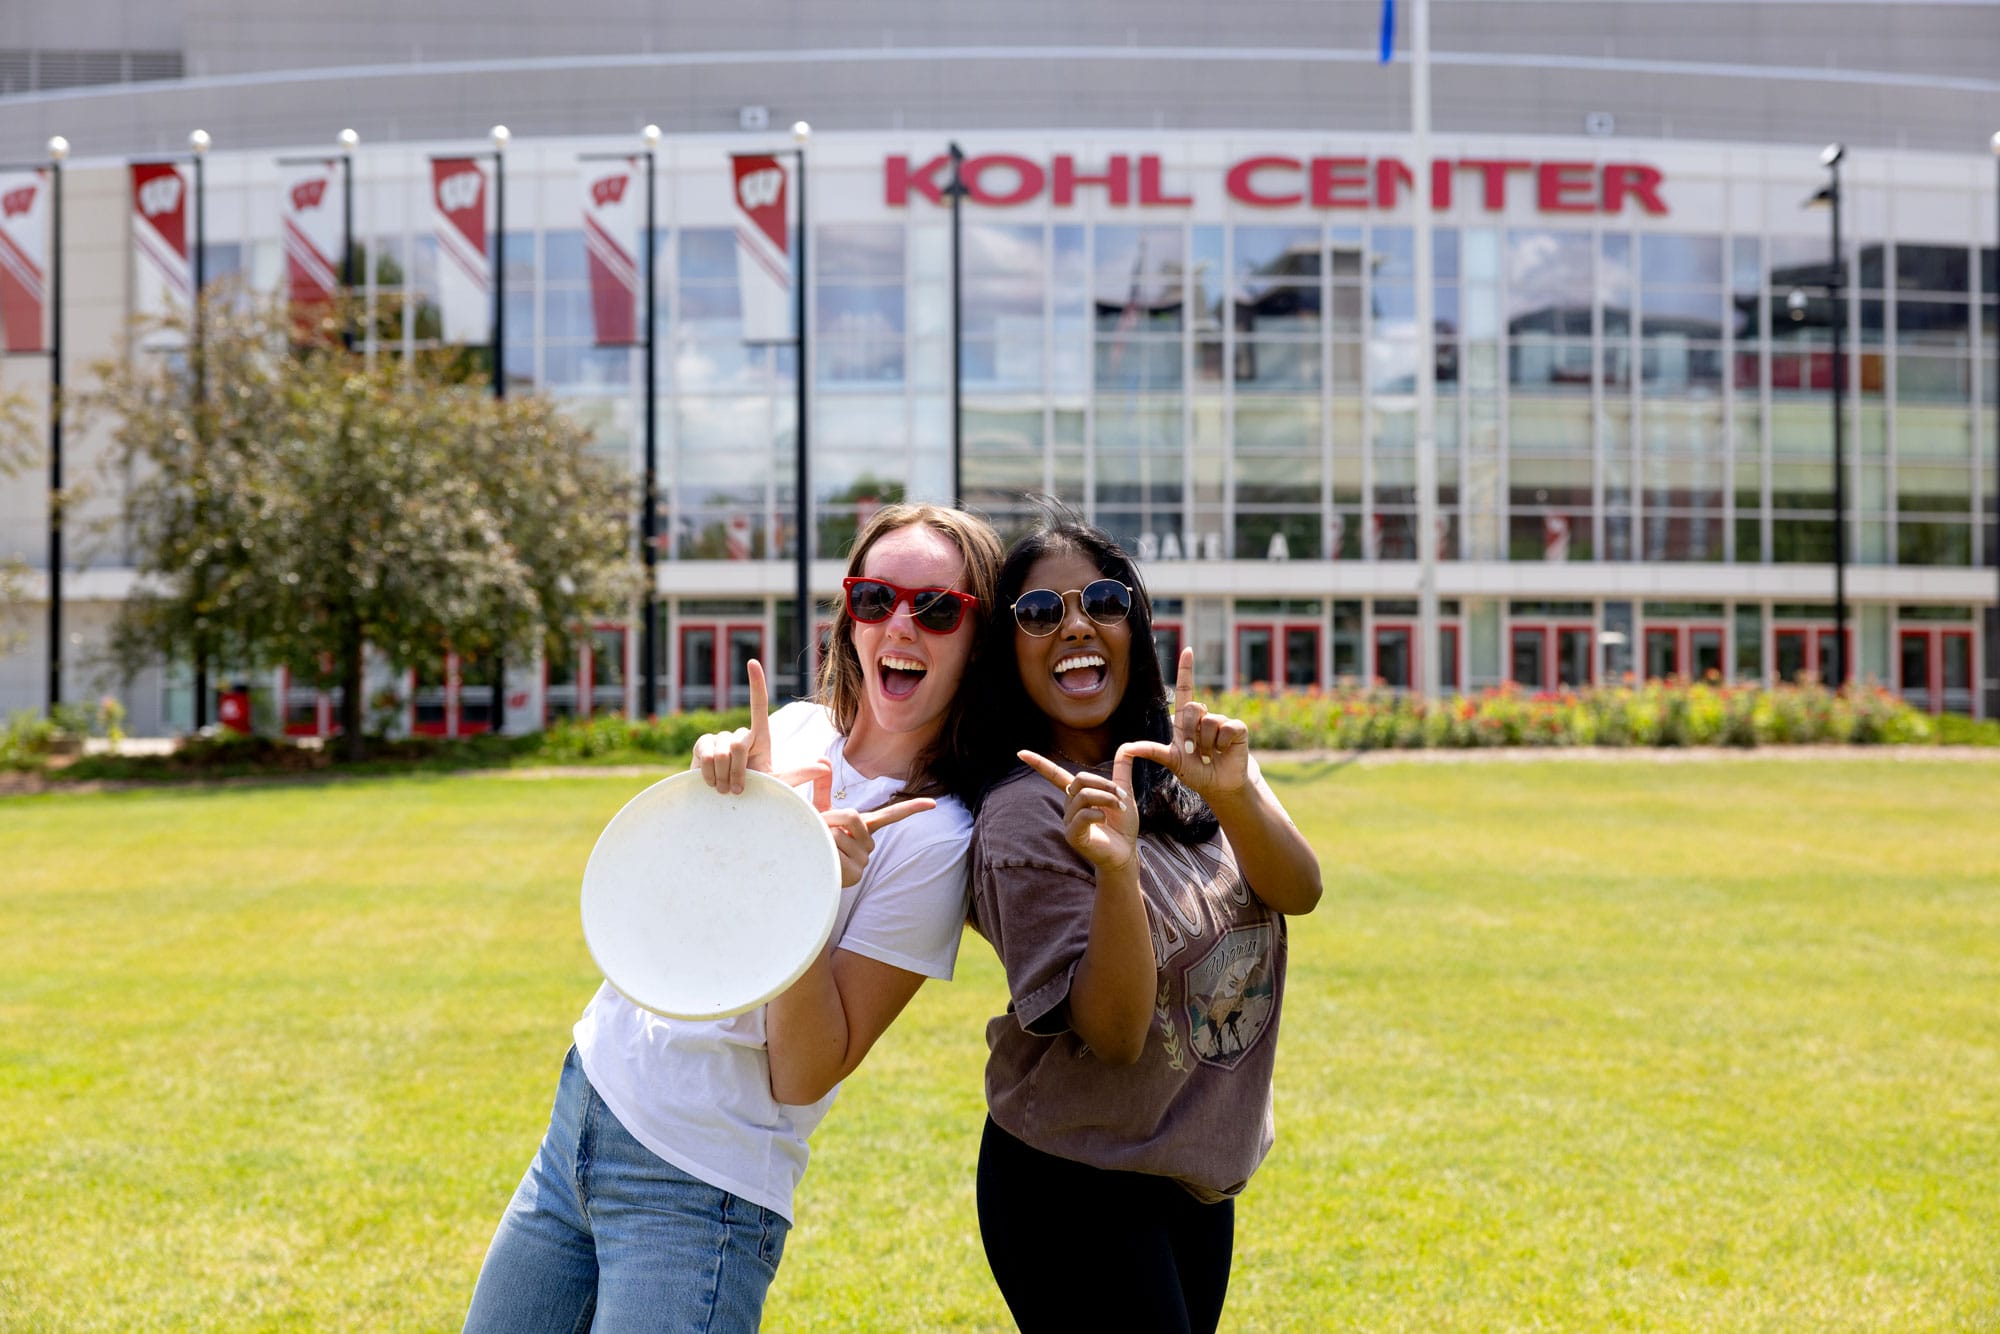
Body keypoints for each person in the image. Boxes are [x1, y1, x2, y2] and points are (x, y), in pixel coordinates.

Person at [464, 502, 1003, 1333]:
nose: (902, 623)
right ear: (849, 618)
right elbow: (673, 924)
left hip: (698, 1186)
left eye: (937, 609)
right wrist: (706, 797)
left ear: (978, 640)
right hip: (584, 1110)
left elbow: (806, 1074)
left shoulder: (934, 836)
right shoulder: (789, 731)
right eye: (875, 598)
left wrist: (805, 888)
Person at [959, 512, 1323, 1334]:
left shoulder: (1189, 760)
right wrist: (1115, 869)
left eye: (1101, 600)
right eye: (1039, 613)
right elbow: (1114, 1033)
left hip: (1190, 1168)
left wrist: (1231, 791)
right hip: (1074, 1181)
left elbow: (1297, 890)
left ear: (1136, 624)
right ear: (1007, 653)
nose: (1076, 624)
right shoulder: (1024, 817)